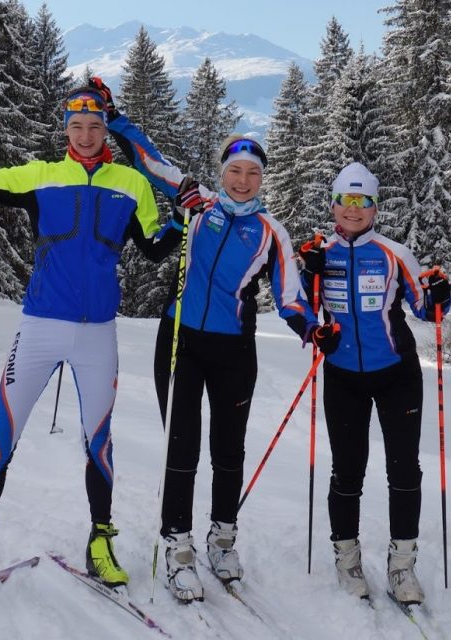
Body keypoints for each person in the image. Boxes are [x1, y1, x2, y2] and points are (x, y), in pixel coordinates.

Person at [87, 78, 338, 603]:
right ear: (222, 173)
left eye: (252, 173)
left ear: (261, 179)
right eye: (234, 171)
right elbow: (148, 157)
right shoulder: (196, 204)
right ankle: (177, 544)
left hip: (233, 351)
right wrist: (112, 117)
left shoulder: (271, 232)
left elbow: (291, 295)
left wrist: (313, 329)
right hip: (180, 342)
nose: (243, 180)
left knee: (228, 450)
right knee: (181, 449)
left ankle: (222, 538)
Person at [0, 86, 182, 587]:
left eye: (95, 126)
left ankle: (100, 538)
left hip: (98, 333)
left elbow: (154, 248)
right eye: (77, 126)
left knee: (99, 441)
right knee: (0, 438)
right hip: (40, 327)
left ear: (105, 129)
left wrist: (183, 220)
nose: (86, 134)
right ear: (65, 129)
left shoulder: (131, 184)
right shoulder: (42, 176)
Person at [298, 162, 451, 604]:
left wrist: (441, 294)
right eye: (345, 199)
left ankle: (402, 564)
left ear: (374, 208)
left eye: (362, 201)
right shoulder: (319, 252)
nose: (353, 209)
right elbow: (300, 308)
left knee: (405, 470)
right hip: (343, 377)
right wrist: (313, 313)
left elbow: (427, 308)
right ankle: (346, 556)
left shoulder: (394, 253)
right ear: (333, 204)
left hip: (396, 374)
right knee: (347, 470)